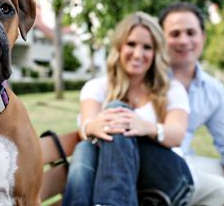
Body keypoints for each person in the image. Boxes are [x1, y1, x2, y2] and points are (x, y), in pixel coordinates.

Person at [62, 12, 194, 206]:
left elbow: (177, 134)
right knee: (85, 148)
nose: (138, 54)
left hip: (168, 180)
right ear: (119, 47)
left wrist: (144, 126)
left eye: (147, 47)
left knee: (116, 111)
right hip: (123, 186)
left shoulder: (172, 89)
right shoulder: (96, 87)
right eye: (131, 44)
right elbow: (87, 125)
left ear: (156, 52)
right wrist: (92, 127)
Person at [159, 2, 224, 206]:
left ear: (202, 37)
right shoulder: (147, 80)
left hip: (187, 163)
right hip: (153, 167)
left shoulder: (213, 89)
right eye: (175, 34)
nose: (184, 40)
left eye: (190, 32)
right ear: (161, 39)